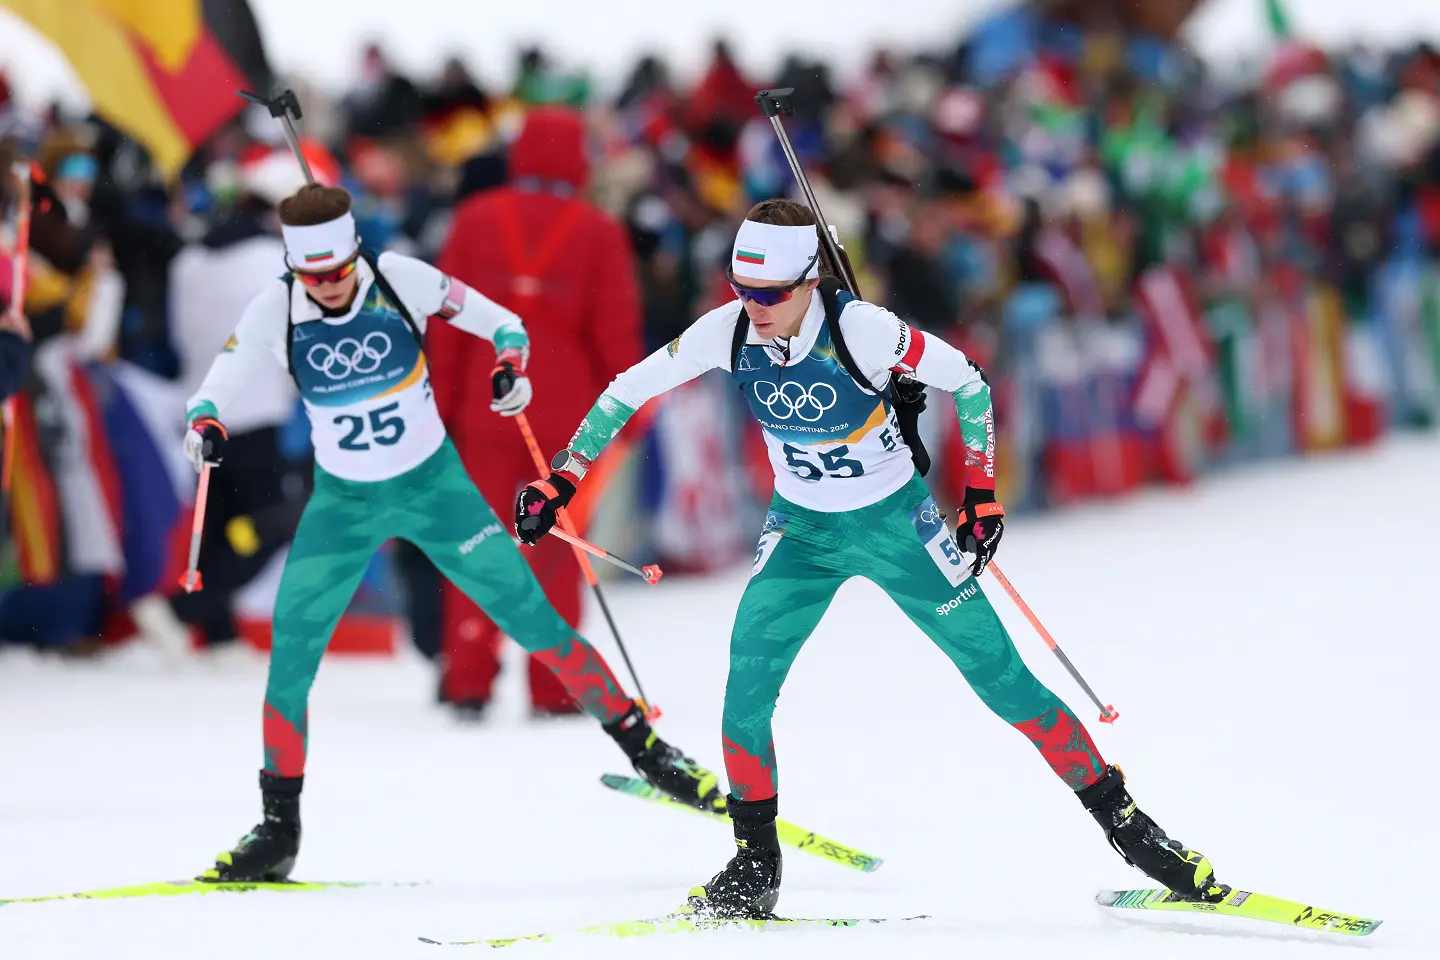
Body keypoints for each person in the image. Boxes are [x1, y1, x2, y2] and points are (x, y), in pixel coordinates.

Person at [515, 199, 1224, 919]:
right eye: (740, 289)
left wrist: (981, 492)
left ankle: (1133, 831)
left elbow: (971, 381)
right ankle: (754, 863)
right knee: (745, 694)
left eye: (770, 294)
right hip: (803, 533)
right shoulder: (726, 331)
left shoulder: (863, 328)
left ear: (810, 281)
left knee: (1004, 683)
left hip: (896, 528)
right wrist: (564, 477)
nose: (753, 307)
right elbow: (625, 390)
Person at [184, 182, 722, 882]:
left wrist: (510, 371)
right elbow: (215, 387)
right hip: (343, 505)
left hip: (435, 490)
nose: (329, 287)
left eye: (340, 271)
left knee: (537, 622)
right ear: (293, 269)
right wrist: (204, 426)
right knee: (291, 660)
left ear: (355, 252)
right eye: (313, 277)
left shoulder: (400, 277)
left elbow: (505, 324)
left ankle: (653, 756)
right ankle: (278, 829)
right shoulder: (273, 309)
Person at [429, 106, 643, 716]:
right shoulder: (599, 233)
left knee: (477, 546)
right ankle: (556, 685)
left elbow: (446, 330)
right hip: (567, 427)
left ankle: (468, 677)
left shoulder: (473, 221)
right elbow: (616, 345)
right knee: (553, 553)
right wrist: (627, 423)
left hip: (484, 409)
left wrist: (441, 411)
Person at [164, 150, 307, 652]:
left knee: (220, 523)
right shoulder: (274, 263)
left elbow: (182, 334)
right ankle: (180, 612)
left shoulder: (190, 259)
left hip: (202, 410)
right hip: (255, 412)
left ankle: (217, 630)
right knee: (272, 524)